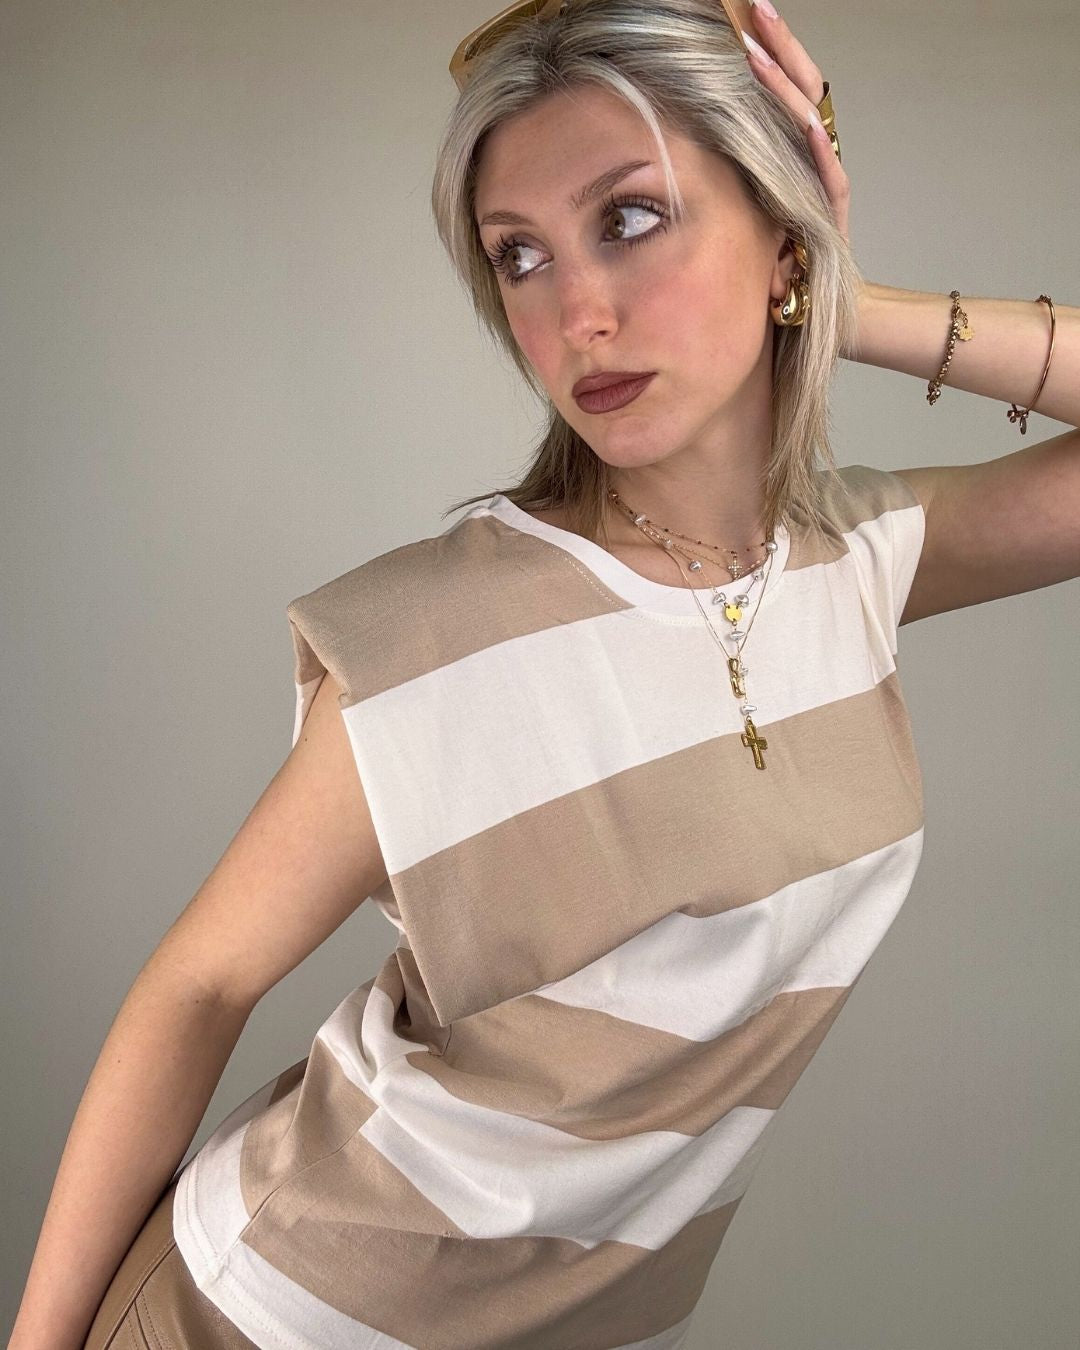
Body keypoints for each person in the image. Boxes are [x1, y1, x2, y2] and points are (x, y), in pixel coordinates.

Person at [10, 2, 1076, 1348]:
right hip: (263, 1316)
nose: (578, 314)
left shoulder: (856, 560)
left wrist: (841, 302)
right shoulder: (440, 634)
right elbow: (199, 986)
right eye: (521, 255)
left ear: (781, 239)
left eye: (631, 218)